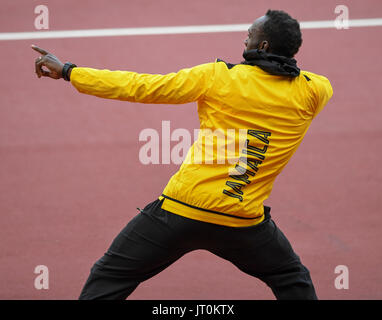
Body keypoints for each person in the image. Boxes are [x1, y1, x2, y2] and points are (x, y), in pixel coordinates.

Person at [32, 9, 333, 300]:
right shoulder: (314, 91)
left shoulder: (218, 76)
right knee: (292, 280)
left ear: (263, 45)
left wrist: (70, 72)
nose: (244, 40)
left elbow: (141, 87)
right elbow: (294, 81)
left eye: (250, 34)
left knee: (110, 276)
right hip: (241, 223)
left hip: (180, 212)